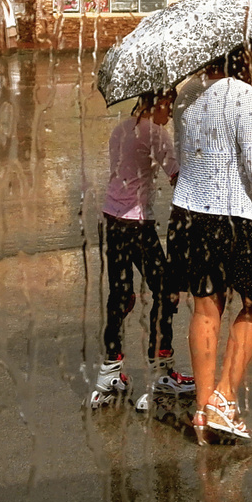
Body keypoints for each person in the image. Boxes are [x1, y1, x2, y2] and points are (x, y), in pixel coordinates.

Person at [166, 45, 252, 443]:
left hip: (188, 213)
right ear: (243, 50)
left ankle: (202, 411)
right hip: (232, 215)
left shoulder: (186, 93)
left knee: (206, 307)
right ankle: (224, 399)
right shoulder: (245, 94)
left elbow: (186, 155)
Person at [90, 90, 194, 408]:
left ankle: (110, 370)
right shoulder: (155, 133)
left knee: (121, 295)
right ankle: (161, 369)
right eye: (169, 105)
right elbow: (177, 176)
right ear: (157, 103)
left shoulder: (120, 129)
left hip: (111, 219)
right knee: (166, 292)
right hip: (137, 225)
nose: (170, 112)